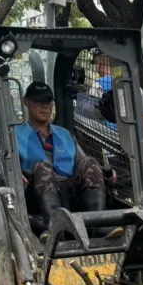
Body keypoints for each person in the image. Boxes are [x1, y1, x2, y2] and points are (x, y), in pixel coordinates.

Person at [15, 82, 119, 237]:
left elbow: (84, 166)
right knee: (42, 167)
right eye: (38, 101)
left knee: (90, 162)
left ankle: (96, 225)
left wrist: (105, 175)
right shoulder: (15, 135)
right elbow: (4, 168)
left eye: (48, 101)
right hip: (35, 195)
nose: (44, 106)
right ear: (26, 102)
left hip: (68, 191)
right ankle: (55, 229)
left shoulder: (64, 134)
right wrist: (18, 176)